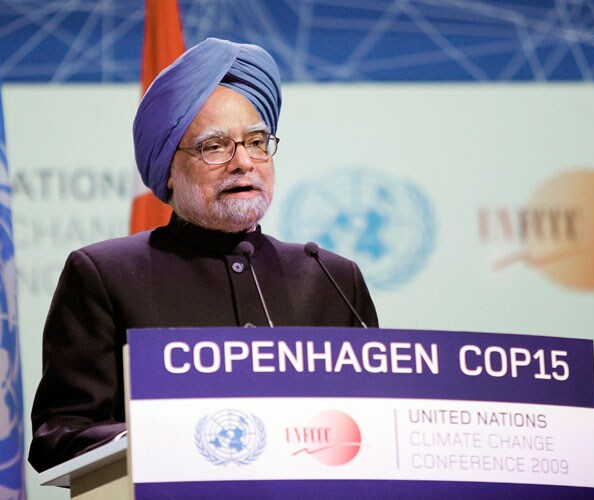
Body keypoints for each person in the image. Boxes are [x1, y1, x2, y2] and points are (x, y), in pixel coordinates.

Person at [28, 38, 378, 473]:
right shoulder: (106, 274)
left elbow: (373, 421)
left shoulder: (330, 277)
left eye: (256, 141)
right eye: (215, 147)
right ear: (168, 171)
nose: (243, 162)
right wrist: (161, 435)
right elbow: (57, 436)